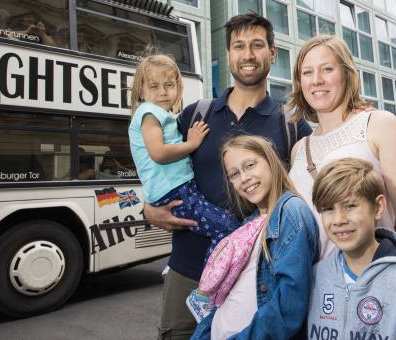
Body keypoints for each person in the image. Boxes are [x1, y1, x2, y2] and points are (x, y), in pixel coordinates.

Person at [141, 13, 312, 339]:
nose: (248, 55)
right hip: (187, 271)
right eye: (239, 46)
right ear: (229, 54)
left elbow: (308, 191)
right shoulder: (196, 114)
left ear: (272, 54)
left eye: (257, 45)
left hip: (255, 275)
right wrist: (147, 209)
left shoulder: (291, 124)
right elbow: (157, 170)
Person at [287, 35, 396, 282]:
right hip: (315, 290)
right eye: (307, 72)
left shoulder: (379, 125)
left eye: (327, 69)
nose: (317, 80)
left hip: (373, 281)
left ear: (346, 73)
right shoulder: (299, 149)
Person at [308, 158, 396, 340]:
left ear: (378, 207)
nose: (338, 220)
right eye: (328, 209)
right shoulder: (316, 276)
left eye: (350, 205)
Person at [189, 135, 318, 339]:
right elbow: (223, 299)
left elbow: (288, 307)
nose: (244, 178)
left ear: (270, 160)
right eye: (234, 174)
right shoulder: (250, 222)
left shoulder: (291, 212)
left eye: (250, 165)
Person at [128, 54, 239, 257]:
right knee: (228, 226)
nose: (162, 92)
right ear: (141, 91)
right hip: (176, 192)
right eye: (154, 86)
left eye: (169, 85)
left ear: (178, 87)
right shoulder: (149, 114)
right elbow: (159, 153)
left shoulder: (164, 114)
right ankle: (213, 280)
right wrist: (191, 143)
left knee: (224, 225)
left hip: (179, 189)